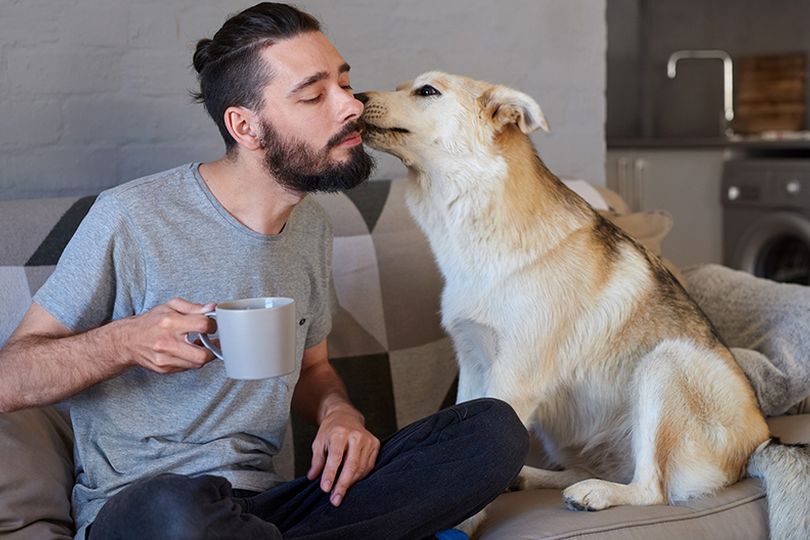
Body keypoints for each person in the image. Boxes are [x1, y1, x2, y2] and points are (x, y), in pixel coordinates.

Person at [0, 3, 529, 539]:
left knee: (493, 431)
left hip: (268, 504)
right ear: (245, 126)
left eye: (344, 83)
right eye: (314, 94)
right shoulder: (130, 217)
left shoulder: (310, 226)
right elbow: (9, 378)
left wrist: (337, 414)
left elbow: (314, 369)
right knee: (174, 510)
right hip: (145, 507)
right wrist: (125, 343)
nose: (351, 104)